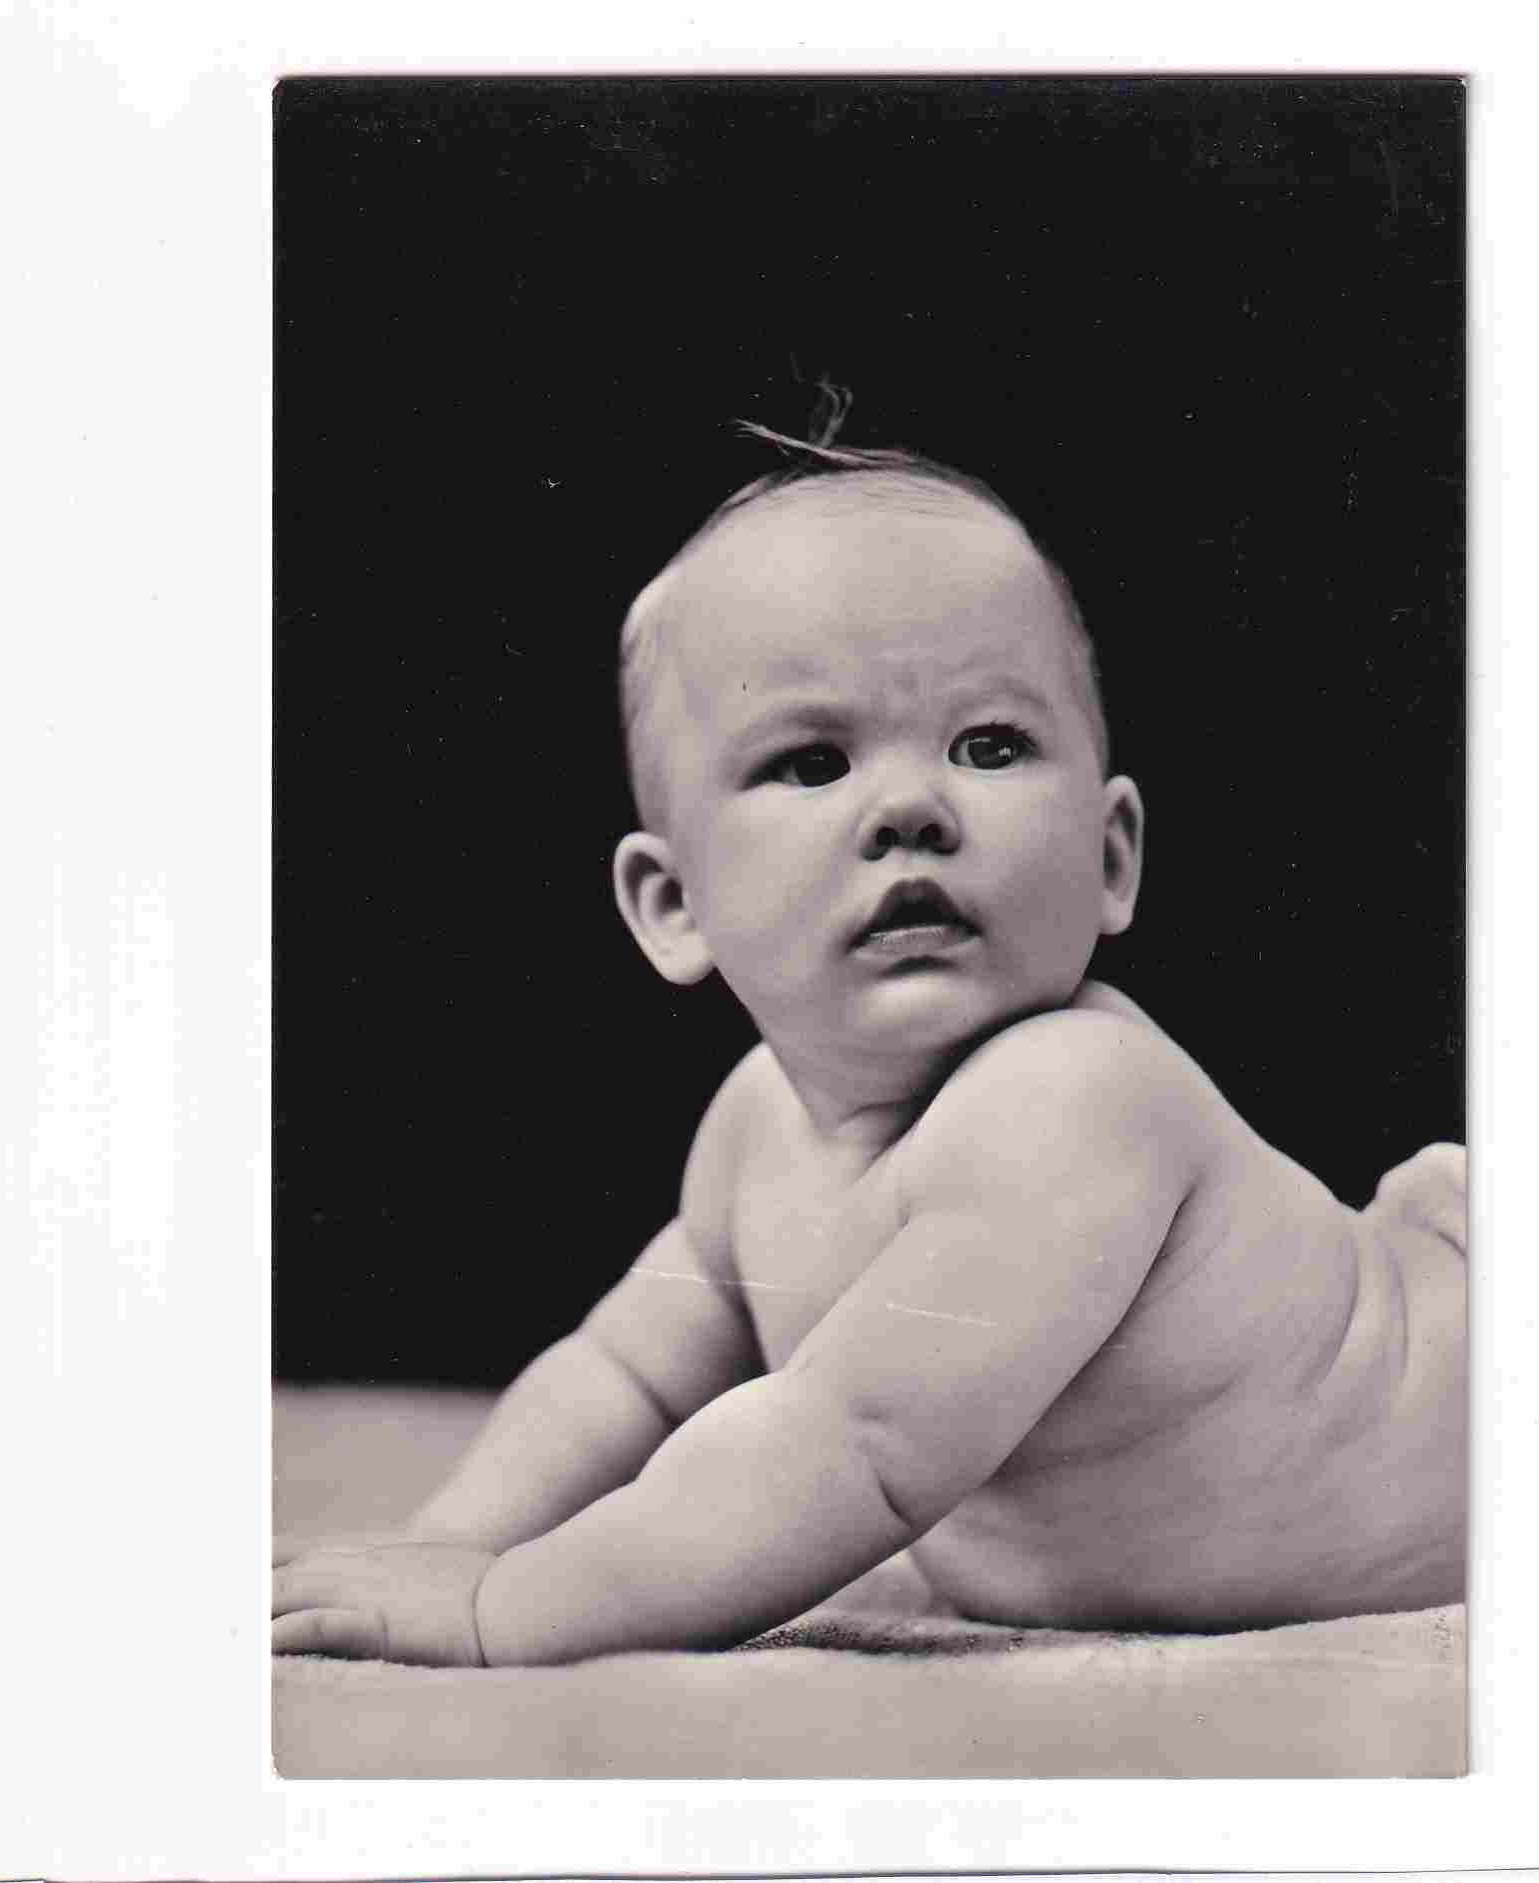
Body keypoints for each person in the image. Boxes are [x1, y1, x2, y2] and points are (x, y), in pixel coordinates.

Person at [271, 426, 1467, 1668]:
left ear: (1111, 856)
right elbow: (623, 1371)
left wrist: (510, 1605)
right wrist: (452, 1539)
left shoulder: (1075, 1097)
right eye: (811, 761)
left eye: (988, 745)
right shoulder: (756, 1125)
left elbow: (848, 1447)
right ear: (673, 904)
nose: (908, 806)